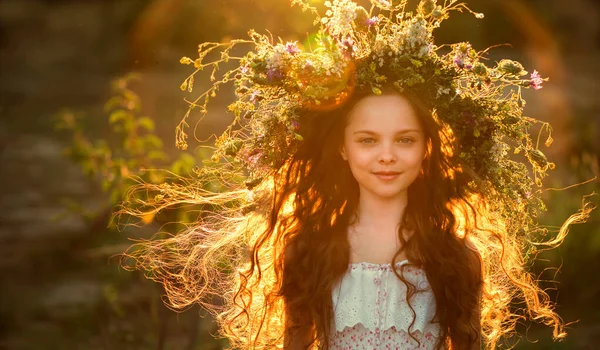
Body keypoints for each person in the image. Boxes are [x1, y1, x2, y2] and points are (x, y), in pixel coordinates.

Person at [118, 1, 592, 349]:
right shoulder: (309, 246)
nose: (386, 156)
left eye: (404, 139)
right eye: (368, 140)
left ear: (428, 150)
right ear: (342, 149)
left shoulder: (455, 255)